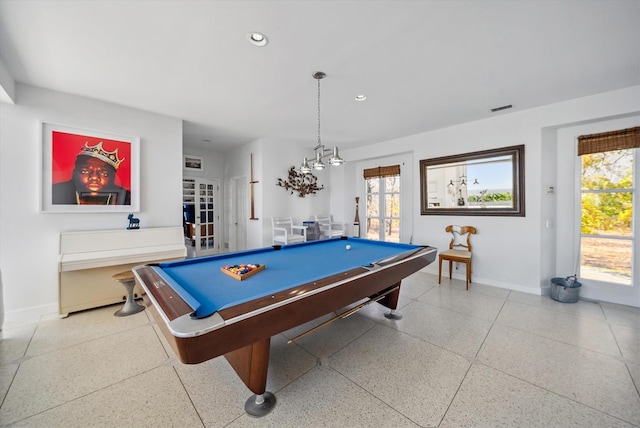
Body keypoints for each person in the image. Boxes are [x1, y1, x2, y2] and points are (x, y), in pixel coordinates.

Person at [52, 141, 130, 205]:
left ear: (112, 178)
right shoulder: (55, 192)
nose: (94, 177)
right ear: (74, 174)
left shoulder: (127, 198)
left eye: (104, 173)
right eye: (85, 171)